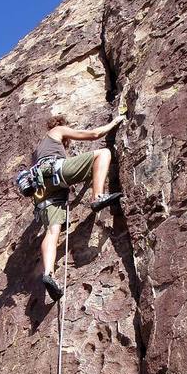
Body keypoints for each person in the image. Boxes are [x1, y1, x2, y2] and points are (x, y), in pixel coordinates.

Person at [33, 114, 126, 301]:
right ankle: (97, 197)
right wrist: (114, 122)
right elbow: (93, 134)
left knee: (52, 232)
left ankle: (48, 273)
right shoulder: (56, 131)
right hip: (56, 172)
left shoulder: (38, 150)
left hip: (42, 189)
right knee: (103, 154)